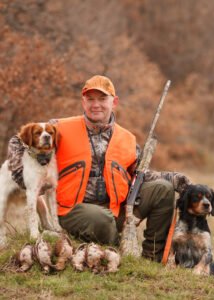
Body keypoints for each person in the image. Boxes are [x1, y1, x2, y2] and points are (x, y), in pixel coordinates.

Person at [8, 75, 191, 262]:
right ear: (83, 102)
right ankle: (116, 250)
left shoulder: (127, 138)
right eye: (90, 99)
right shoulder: (59, 127)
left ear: (115, 102)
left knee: (163, 189)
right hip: (70, 210)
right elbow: (18, 140)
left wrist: (174, 179)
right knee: (101, 219)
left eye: (102, 99)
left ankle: (151, 259)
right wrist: (21, 175)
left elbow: (140, 173)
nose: (96, 105)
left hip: (115, 210)